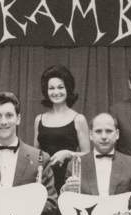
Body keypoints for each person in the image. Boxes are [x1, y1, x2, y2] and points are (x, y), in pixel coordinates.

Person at [33, 64, 90, 194]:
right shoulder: (39, 119)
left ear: (68, 89)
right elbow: (37, 156)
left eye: (60, 87)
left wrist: (68, 154)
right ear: (46, 91)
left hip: (69, 181)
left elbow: (88, 156)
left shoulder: (78, 119)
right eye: (51, 88)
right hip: (45, 180)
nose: (56, 92)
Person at [61, 112, 131, 196]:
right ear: (90, 135)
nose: (104, 136)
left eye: (109, 131)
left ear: (117, 134)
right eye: (98, 131)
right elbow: (68, 200)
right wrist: (66, 189)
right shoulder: (75, 165)